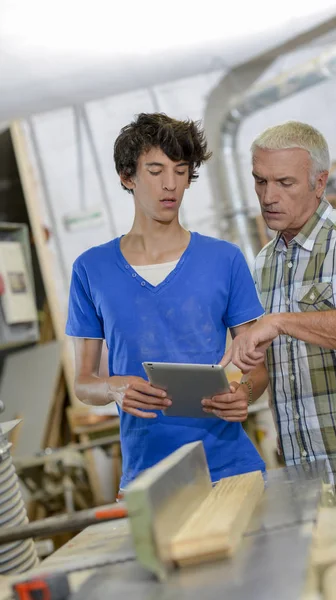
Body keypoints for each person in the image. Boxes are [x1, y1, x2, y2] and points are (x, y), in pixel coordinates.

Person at [221, 121, 336, 600]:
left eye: (285, 182)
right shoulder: (263, 263)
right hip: (313, 484)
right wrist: (240, 393)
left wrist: (280, 321)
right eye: (260, 181)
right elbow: (263, 373)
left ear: (319, 183)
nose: (268, 195)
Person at [66, 112, 268, 493]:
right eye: (156, 171)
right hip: (149, 479)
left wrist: (243, 394)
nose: (170, 185)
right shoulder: (90, 270)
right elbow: (84, 383)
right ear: (128, 177)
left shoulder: (224, 259)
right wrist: (113, 388)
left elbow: (258, 370)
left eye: (180, 170)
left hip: (232, 468)